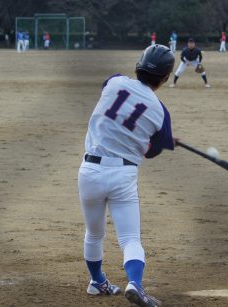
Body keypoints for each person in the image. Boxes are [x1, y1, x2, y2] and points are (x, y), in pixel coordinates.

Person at [78, 44, 176, 307]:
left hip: (89, 170)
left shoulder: (114, 81)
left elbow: (119, 108)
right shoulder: (160, 112)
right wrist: (164, 139)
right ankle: (135, 283)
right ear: (165, 78)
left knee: (94, 233)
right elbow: (152, 152)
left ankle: (97, 281)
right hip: (122, 175)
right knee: (130, 238)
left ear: (138, 65)